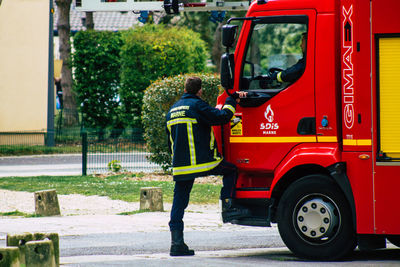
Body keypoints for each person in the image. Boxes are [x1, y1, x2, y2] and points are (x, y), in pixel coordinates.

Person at [166, 77, 248, 256]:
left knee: (179, 203)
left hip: (181, 167)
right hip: (203, 162)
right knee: (231, 170)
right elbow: (223, 117)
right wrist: (231, 100)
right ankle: (229, 207)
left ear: (185, 89)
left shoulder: (172, 110)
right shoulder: (197, 106)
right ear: (200, 91)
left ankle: (176, 244)